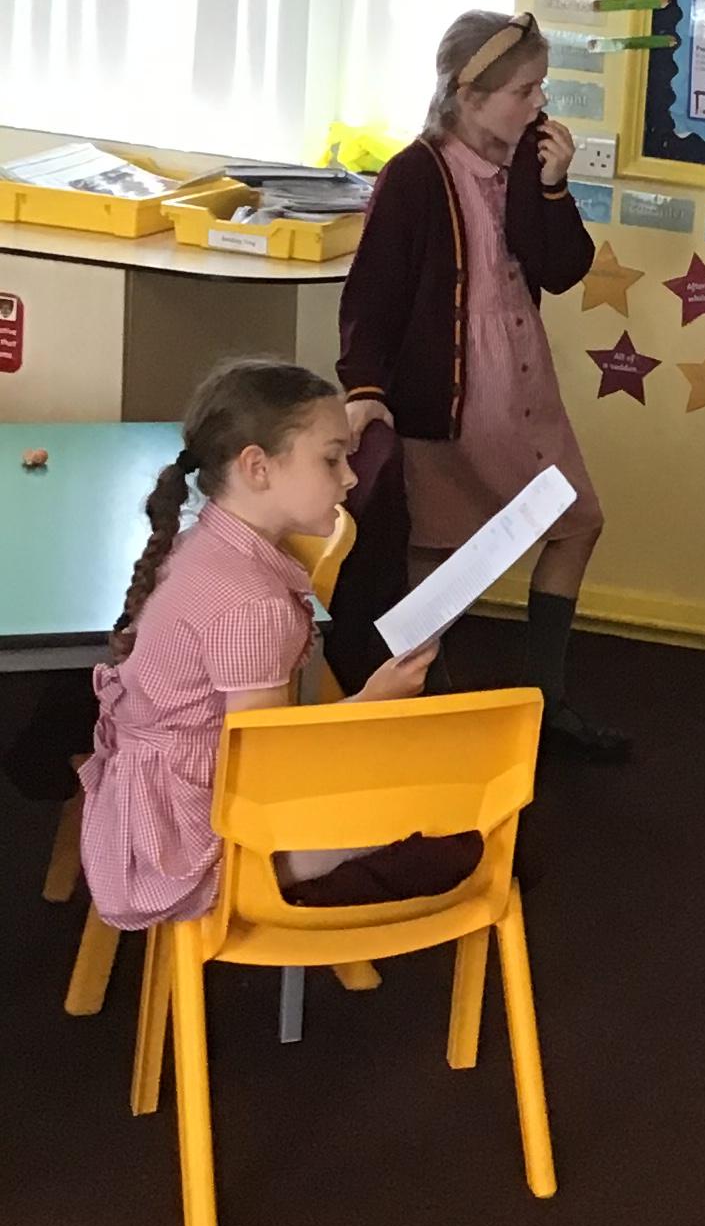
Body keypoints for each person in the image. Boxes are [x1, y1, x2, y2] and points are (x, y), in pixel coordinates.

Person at [79, 359, 478, 931]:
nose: (350, 478)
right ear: (257, 467)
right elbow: (265, 771)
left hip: (156, 817)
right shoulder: (251, 603)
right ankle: (298, 911)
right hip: (198, 843)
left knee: (430, 791)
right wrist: (371, 702)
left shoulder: (204, 544)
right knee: (469, 831)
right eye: (331, 459)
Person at [334, 8, 624, 762]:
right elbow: (372, 296)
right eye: (525, 91)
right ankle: (418, 703)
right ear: (469, 95)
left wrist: (554, 188)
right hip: (451, 396)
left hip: (523, 382)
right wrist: (365, 387)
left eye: (541, 88)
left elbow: (560, 268)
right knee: (439, 549)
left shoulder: (526, 165)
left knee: (575, 521)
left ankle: (543, 701)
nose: (540, 104)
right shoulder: (415, 175)